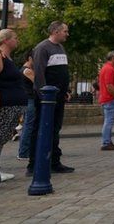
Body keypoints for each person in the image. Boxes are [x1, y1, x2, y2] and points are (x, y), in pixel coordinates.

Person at [27, 21, 74, 176]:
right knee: (39, 128)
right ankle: (33, 163)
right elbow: (39, 73)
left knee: (55, 128)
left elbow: (62, 71)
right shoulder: (42, 48)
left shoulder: (60, 48)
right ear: (55, 31)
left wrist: (65, 90)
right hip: (46, 97)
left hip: (58, 96)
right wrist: (43, 96)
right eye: (65, 31)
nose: (67, 34)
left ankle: (54, 161)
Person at [0, 29, 27, 181]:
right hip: (0, 106)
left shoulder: (7, 57)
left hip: (12, 106)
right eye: (15, 37)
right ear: (6, 40)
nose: (17, 40)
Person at [98, 51, 114, 151]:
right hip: (110, 99)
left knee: (108, 121)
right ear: (113, 58)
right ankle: (106, 142)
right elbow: (109, 85)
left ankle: (107, 140)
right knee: (109, 121)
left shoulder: (107, 68)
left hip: (107, 98)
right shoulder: (109, 69)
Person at [16, 50, 35, 161]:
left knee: (28, 125)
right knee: (29, 125)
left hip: (27, 99)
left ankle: (24, 151)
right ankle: (23, 152)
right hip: (30, 100)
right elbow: (38, 82)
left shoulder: (23, 70)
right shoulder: (27, 71)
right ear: (30, 58)